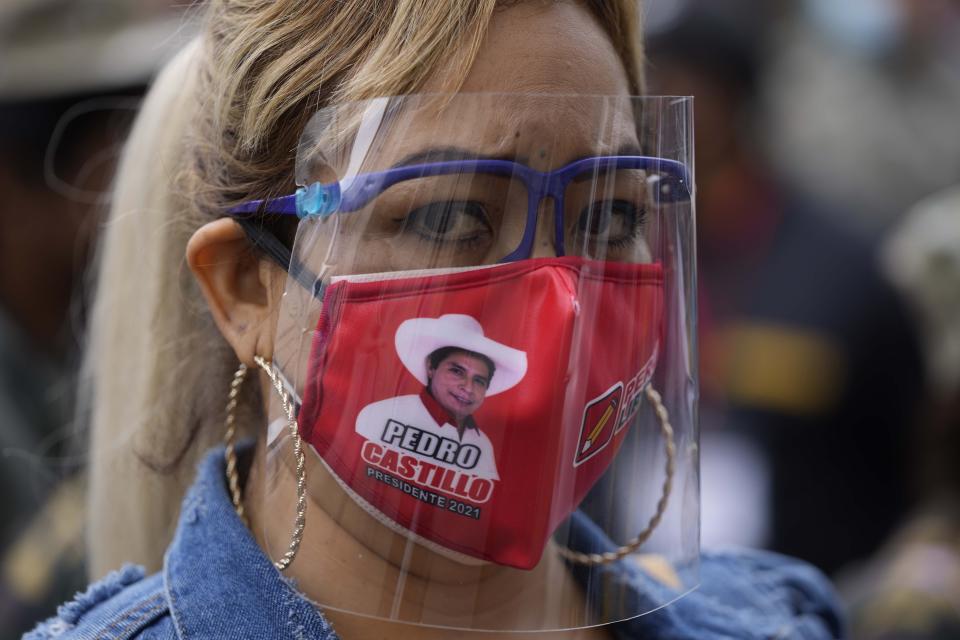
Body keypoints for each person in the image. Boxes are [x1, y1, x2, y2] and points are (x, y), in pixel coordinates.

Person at [26, 1, 844, 638]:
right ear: (246, 286)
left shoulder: (780, 620)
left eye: (607, 219)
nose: (558, 308)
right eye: (450, 217)